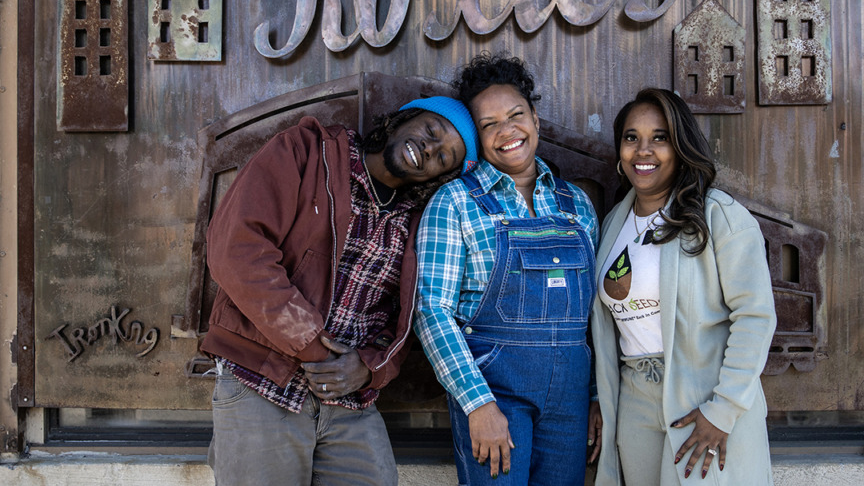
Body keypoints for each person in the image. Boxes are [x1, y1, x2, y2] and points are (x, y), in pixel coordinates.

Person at [200, 95, 480, 486]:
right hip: (262, 378)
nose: (431, 149)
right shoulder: (305, 152)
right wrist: (314, 347)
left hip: (349, 401)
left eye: (445, 158)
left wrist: (368, 369)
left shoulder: (417, 221)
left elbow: (403, 318)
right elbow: (236, 249)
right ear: (403, 118)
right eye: (431, 131)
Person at [414, 54, 599, 485]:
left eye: (516, 115)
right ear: (477, 138)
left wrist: (595, 396)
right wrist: (477, 405)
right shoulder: (456, 202)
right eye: (490, 124)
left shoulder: (577, 205)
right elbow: (431, 310)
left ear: (535, 118)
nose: (507, 131)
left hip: (570, 403)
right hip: (494, 397)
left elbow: (594, 317)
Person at [590, 88, 776, 485]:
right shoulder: (612, 226)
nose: (643, 150)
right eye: (631, 138)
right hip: (635, 404)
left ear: (681, 146)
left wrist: (722, 410)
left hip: (703, 403)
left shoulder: (718, 215)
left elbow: (755, 317)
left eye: (660, 137)